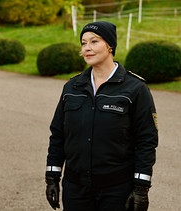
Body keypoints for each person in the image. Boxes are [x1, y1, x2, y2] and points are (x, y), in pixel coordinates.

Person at [45, 21, 158, 211]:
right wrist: (52, 176)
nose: (87, 48)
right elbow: (58, 135)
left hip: (117, 190)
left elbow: (146, 140)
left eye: (94, 41)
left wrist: (141, 188)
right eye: (83, 43)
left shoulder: (135, 89)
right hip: (76, 189)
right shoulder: (72, 88)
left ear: (110, 46)